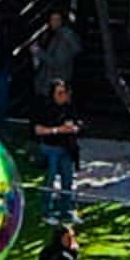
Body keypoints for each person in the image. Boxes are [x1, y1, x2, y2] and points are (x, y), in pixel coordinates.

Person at [29, 77, 84, 214]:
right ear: (52, 94)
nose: (63, 96)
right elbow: (37, 129)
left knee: (67, 180)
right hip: (50, 148)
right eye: (59, 93)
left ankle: (65, 209)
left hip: (66, 149)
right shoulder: (44, 108)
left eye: (64, 92)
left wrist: (74, 129)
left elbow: (78, 123)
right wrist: (57, 130)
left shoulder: (69, 107)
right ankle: (46, 209)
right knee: (50, 179)